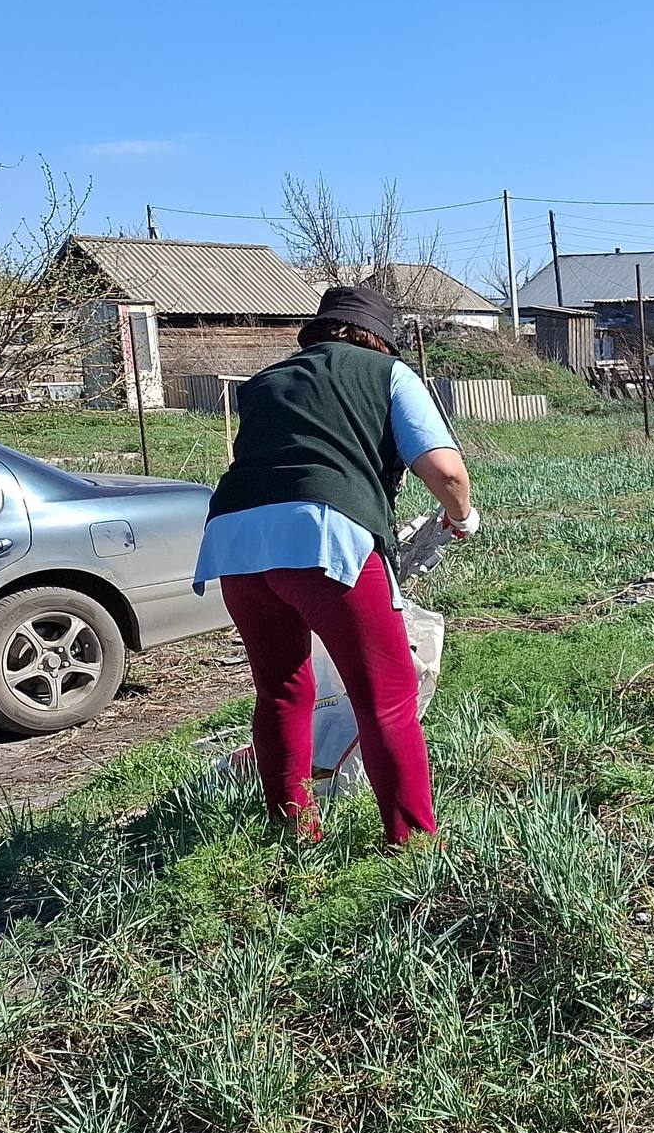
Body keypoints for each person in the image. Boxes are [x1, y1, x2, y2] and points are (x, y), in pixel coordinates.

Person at [194, 285, 478, 846]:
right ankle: (414, 841)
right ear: (380, 338)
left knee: (281, 687)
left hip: (235, 542)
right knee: (387, 695)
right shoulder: (388, 373)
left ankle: (293, 828)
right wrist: (462, 517)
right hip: (323, 538)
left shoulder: (264, 383)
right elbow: (446, 473)